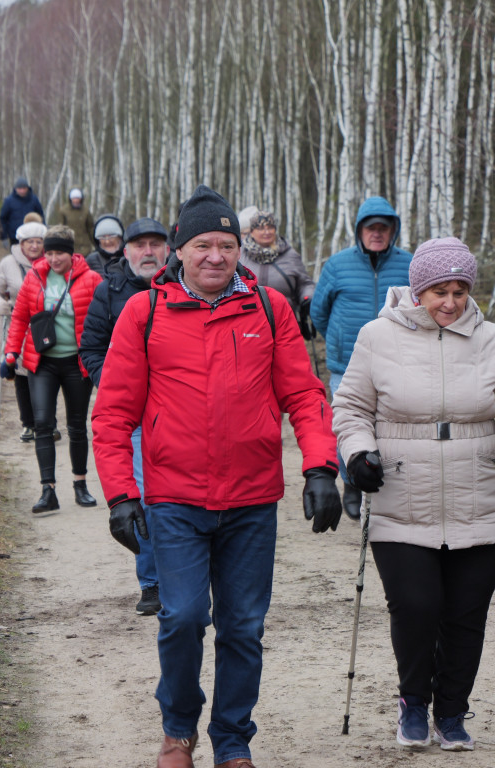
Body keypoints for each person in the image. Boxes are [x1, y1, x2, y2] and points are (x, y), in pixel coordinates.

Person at [91, 185, 343, 768]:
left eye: (226, 245)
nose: (215, 256)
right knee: (180, 618)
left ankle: (232, 741)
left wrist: (320, 466)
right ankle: (179, 730)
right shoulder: (144, 311)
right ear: (180, 250)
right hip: (174, 498)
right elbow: (113, 413)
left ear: (240, 251)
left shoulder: (269, 309)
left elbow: (304, 394)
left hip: (251, 501)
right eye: (202, 244)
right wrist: (121, 495)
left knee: (243, 628)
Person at [332, 237, 495, 752]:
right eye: (439, 291)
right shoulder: (377, 336)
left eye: (460, 290)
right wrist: (358, 455)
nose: (450, 302)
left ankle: (451, 711)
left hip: (480, 495)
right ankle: (412, 703)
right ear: (418, 290)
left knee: (466, 614)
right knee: (417, 606)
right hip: (402, 493)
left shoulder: (493, 339)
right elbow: (351, 407)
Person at [80, 217, 170, 617]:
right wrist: (118, 383)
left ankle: (193, 578)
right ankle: (151, 583)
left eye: (155, 244)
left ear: (169, 249)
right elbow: (91, 349)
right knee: (145, 501)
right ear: (126, 251)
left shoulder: (184, 289)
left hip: (180, 414)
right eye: (139, 245)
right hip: (134, 420)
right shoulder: (109, 291)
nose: (147, 252)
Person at [310, 196, 413, 519]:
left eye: (384, 228)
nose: (377, 233)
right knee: (346, 426)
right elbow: (319, 312)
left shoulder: (409, 264)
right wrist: (339, 342)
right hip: (346, 365)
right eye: (371, 228)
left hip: (398, 361)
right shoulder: (337, 265)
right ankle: (352, 481)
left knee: (389, 428)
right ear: (360, 231)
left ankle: (388, 488)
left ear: (393, 231)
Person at [4, 225, 102, 514]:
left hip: (76, 362)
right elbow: (20, 317)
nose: (53, 258)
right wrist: (11, 352)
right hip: (42, 362)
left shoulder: (92, 279)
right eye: (49, 252)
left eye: (59, 252)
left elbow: (101, 320)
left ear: (71, 253)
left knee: (76, 425)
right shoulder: (34, 277)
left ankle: (80, 484)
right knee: (43, 424)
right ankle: (48, 491)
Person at [0, 215, 60, 444]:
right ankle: (28, 424)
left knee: (47, 374)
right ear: (21, 243)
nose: (35, 246)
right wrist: (1, 305)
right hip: (18, 325)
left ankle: (48, 424)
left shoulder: (53, 262)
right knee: (20, 375)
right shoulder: (8, 263)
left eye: (39, 241)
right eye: (30, 242)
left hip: (47, 325)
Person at [238, 209, 316, 338]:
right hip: (248, 324)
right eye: (261, 228)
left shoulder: (290, 255)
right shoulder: (240, 255)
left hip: (284, 322)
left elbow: (305, 284)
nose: (267, 232)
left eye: (270, 227)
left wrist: (307, 298)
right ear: (251, 231)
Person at [0, 176, 45, 245]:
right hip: (15, 236)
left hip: (32, 235)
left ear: (27, 188)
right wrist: (4, 237)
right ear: (15, 189)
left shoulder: (34, 199)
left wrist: (44, 230)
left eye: (24, 188)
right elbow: (3, 219)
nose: (22, 191)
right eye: (19, 188)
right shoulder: (8, 201)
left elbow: (41, 215)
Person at [85, 214, 125, 278]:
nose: (107, 241)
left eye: (111, 236)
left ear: (120, 237)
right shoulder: (92, 260)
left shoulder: (129, 257)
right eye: (102, 237)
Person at [57, 187, 96, 253]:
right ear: (70, 199)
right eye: (74, 198)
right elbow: (60, 229)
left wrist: (96, 243)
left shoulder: (86, 211)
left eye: (78, 198)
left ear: (81, 199)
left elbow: (91, 228)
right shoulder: (63, 211)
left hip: (84, 246)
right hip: (69, 244)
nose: (76, 200)